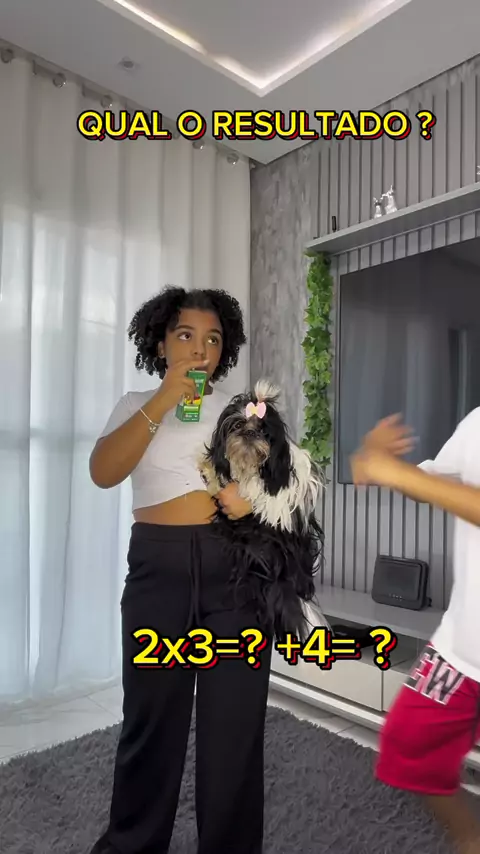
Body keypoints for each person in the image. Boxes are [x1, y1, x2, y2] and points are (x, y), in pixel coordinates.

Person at [88, 286, 271, 854]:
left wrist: (250, 501)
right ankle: (132, 845)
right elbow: (103, 472)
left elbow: (279, 490)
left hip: (235, 571)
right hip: (158, 572)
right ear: (161, 343)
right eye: (186, 335)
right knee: (151, 721)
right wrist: (164, 399)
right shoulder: (136, 403)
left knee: (234, 729)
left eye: (212, 339)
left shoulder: (243, 411)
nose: (200, 349)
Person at [351, 411, 480, 854]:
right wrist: (379, 461)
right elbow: (431, 481)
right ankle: (470, 837)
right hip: (461, 649)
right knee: (409, 744)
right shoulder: (477, 423)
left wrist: (392, 471)